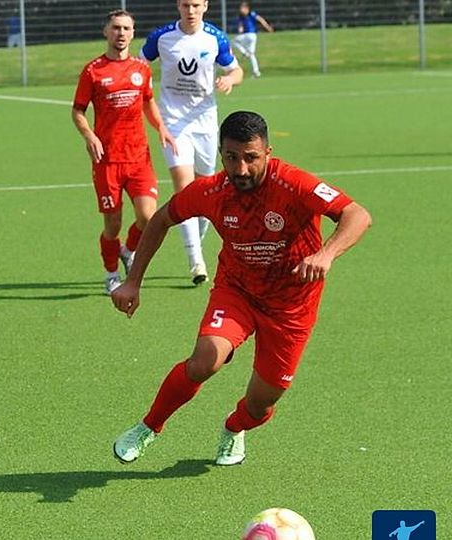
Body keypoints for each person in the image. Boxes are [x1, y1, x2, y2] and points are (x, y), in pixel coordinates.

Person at [110, 111, 371, 466]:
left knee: (262, 403)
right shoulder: (211, 191)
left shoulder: (294, 183)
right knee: (206, 360)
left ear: (267, 152)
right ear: (221, 154)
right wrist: (133, 281)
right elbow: (161, 219)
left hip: (292, 306)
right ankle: (148, 427)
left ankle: (233, 428)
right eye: (232, 158)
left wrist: (326, 254)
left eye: (251, 158)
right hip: (238, 292)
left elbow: (357, 214)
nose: (242, 169)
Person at [71, 10, 177, 294]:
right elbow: (78, 110)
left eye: (126, 28)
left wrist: (161, 128)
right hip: (107, 161)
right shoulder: (93, 70)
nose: (121, 33)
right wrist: (89, 135)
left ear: (133, 33)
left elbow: (149, 103)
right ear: (106, 31)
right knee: (112, 224)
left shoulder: (141, 69)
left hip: (139, 158)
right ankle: (110, 274)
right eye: (116, 28)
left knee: (147, 216)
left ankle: (129, 250)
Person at [141, 0, 244, 285]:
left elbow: (237, 70)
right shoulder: (161, 37)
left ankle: (195, 242)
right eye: (186, 4)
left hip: (205, 123)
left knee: (207, 190)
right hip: (173, 123)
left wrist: (229, 80)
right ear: (177, 5)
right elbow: (138, 67)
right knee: (184, 191)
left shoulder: (215, 38)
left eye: (196, 5)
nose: (190, 10)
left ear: (205, 6)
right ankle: (196, 260)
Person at [233, 2, 274, 78]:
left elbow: (261, 20)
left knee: (234, 41)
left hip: (250, 35)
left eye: (243, 8)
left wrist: (267, 27)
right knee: (252, 54)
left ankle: (244, 53)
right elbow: (241, 27)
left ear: (247, 9)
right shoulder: (241, 17)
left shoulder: (251, 14)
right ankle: (256, 72)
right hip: (250, 36)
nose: (241, 10)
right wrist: (240, 29)